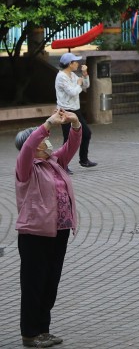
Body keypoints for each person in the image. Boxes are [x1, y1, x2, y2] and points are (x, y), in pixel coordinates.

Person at [15, 109, 82, 348]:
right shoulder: (26, 168)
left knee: (50, 283)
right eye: (44, 140)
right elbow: (27, 148)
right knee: (34, 285)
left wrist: (75, 124)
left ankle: (43, 330)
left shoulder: (54, 162)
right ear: (34, 147)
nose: (49, 142)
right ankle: (30, 334)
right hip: (34, 235)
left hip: (59, 232)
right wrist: (47, 124)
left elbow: (72, 145)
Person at [55, 53, 96, 169]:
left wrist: (85, 74)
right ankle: (62, 164)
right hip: (65, 110)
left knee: (86, 133)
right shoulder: (61, 77)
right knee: (68, 138)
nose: (77, 63)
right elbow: (72, 92)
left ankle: (84, 160)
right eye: (75, 62)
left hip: (75, 110)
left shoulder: (72, 75)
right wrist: (78, 84)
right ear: (69, 64)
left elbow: (86, 85)